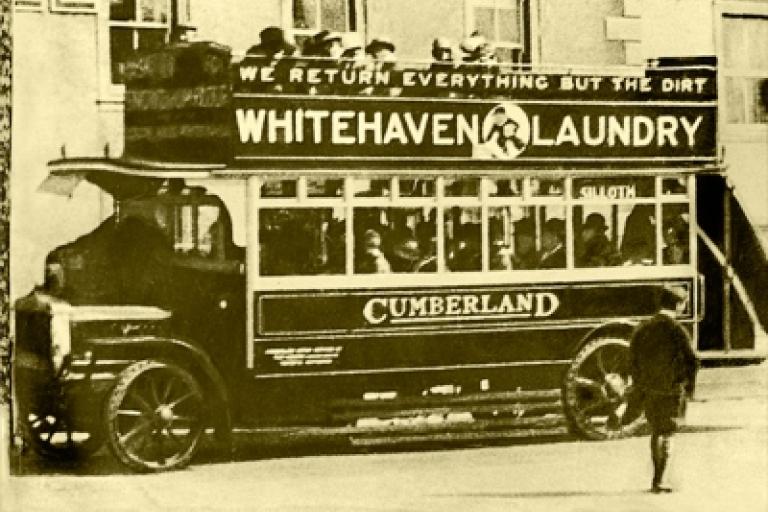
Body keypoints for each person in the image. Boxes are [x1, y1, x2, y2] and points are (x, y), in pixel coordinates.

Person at [628, 285, 699, 493]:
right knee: (668, 433)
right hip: (672, 389)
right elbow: (693, 360)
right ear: (678, 305)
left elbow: (632, 359)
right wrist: (689, 387)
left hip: (649, 388)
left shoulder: (643, 327)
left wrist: (640, 383)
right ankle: (660, 481)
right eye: (683, 303)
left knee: (656, 432)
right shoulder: (676, 329)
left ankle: (657, 479)